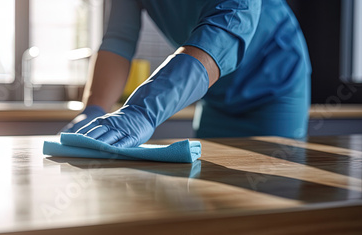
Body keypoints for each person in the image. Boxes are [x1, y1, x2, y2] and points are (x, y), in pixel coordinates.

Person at [62, 0, 311, 148]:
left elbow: (227, 27)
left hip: (274, 84)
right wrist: (93, 109)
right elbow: (119, 38)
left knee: (269, 194)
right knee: (211, 193)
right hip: (214, 94)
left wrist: (143, 111)